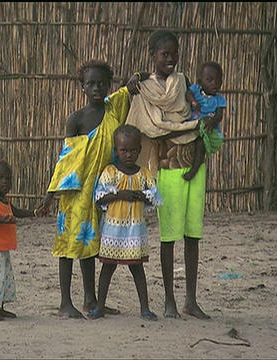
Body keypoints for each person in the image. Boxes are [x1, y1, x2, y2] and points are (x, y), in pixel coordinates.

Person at [36, 60, 143, 319]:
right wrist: (50, 197)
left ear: (109, 85)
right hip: (76, 193)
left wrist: (136, 78)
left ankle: (91, 300)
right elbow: (66, 160)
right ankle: (64, 303)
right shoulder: (76, 119)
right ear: (81, 86)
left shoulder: (113, 108)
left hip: (101, 190)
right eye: (91, 84)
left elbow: (131, 87)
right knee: (67, 248)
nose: (97, 88)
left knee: (90, 246)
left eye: (102, 83)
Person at [126, 29, 220, 319]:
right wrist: (132, 81)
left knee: (193, 234)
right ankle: (169, 301)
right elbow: (144, 123)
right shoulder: (143, 87)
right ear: (153, 55)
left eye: (174, 53)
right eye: (164, 54)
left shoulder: (183, 83)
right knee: (169, 236)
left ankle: (190, 300)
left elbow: (199, 110)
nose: (170, 58)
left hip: (194, 163)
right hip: (167, 167)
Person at [87, 124, 163, 321]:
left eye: (133, 150)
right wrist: (120, 194)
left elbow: (155, 198)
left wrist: (141, 196)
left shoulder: (144, 174)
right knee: (108, 267)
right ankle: (100, 306)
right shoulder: (110, 172)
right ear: (116, 151)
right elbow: (99, 197)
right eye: (124, 150)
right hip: (113, 229)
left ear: (139, 149)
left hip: (134, 230)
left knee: (137, 267)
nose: (129, 155)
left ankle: (145, 308)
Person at [0, 160, 38, 321]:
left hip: (0, 248)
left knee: (4, 277)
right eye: (0, 178)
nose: (5, 182)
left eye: (8, 179)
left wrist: (35, 212)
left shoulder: (4, 199)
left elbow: (16, 211)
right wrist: (2, 220)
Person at [184, 60, 227, 181]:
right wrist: (193, 101)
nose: (215, 84)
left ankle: (195, 169)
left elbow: (219, 116)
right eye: (210, 80)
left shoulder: (219, 99)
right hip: (192, 125)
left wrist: (212, 121)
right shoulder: (196, 90)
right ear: (200, 81)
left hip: (208, 129)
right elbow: (188, 93)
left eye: (218, 81)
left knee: (201, 142)